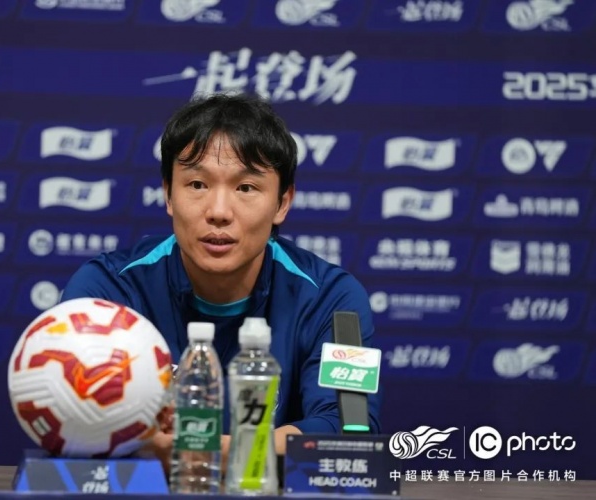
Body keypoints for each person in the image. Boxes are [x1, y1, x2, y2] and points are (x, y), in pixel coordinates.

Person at [61, 92, 381, 467]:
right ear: (168, 194)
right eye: (198, 184)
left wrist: (200, 450)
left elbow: (350, 430)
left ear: (282, 203)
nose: (218, 211)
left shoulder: (334, 299)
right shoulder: (105, 293)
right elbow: (71, 419)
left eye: (246, 188)